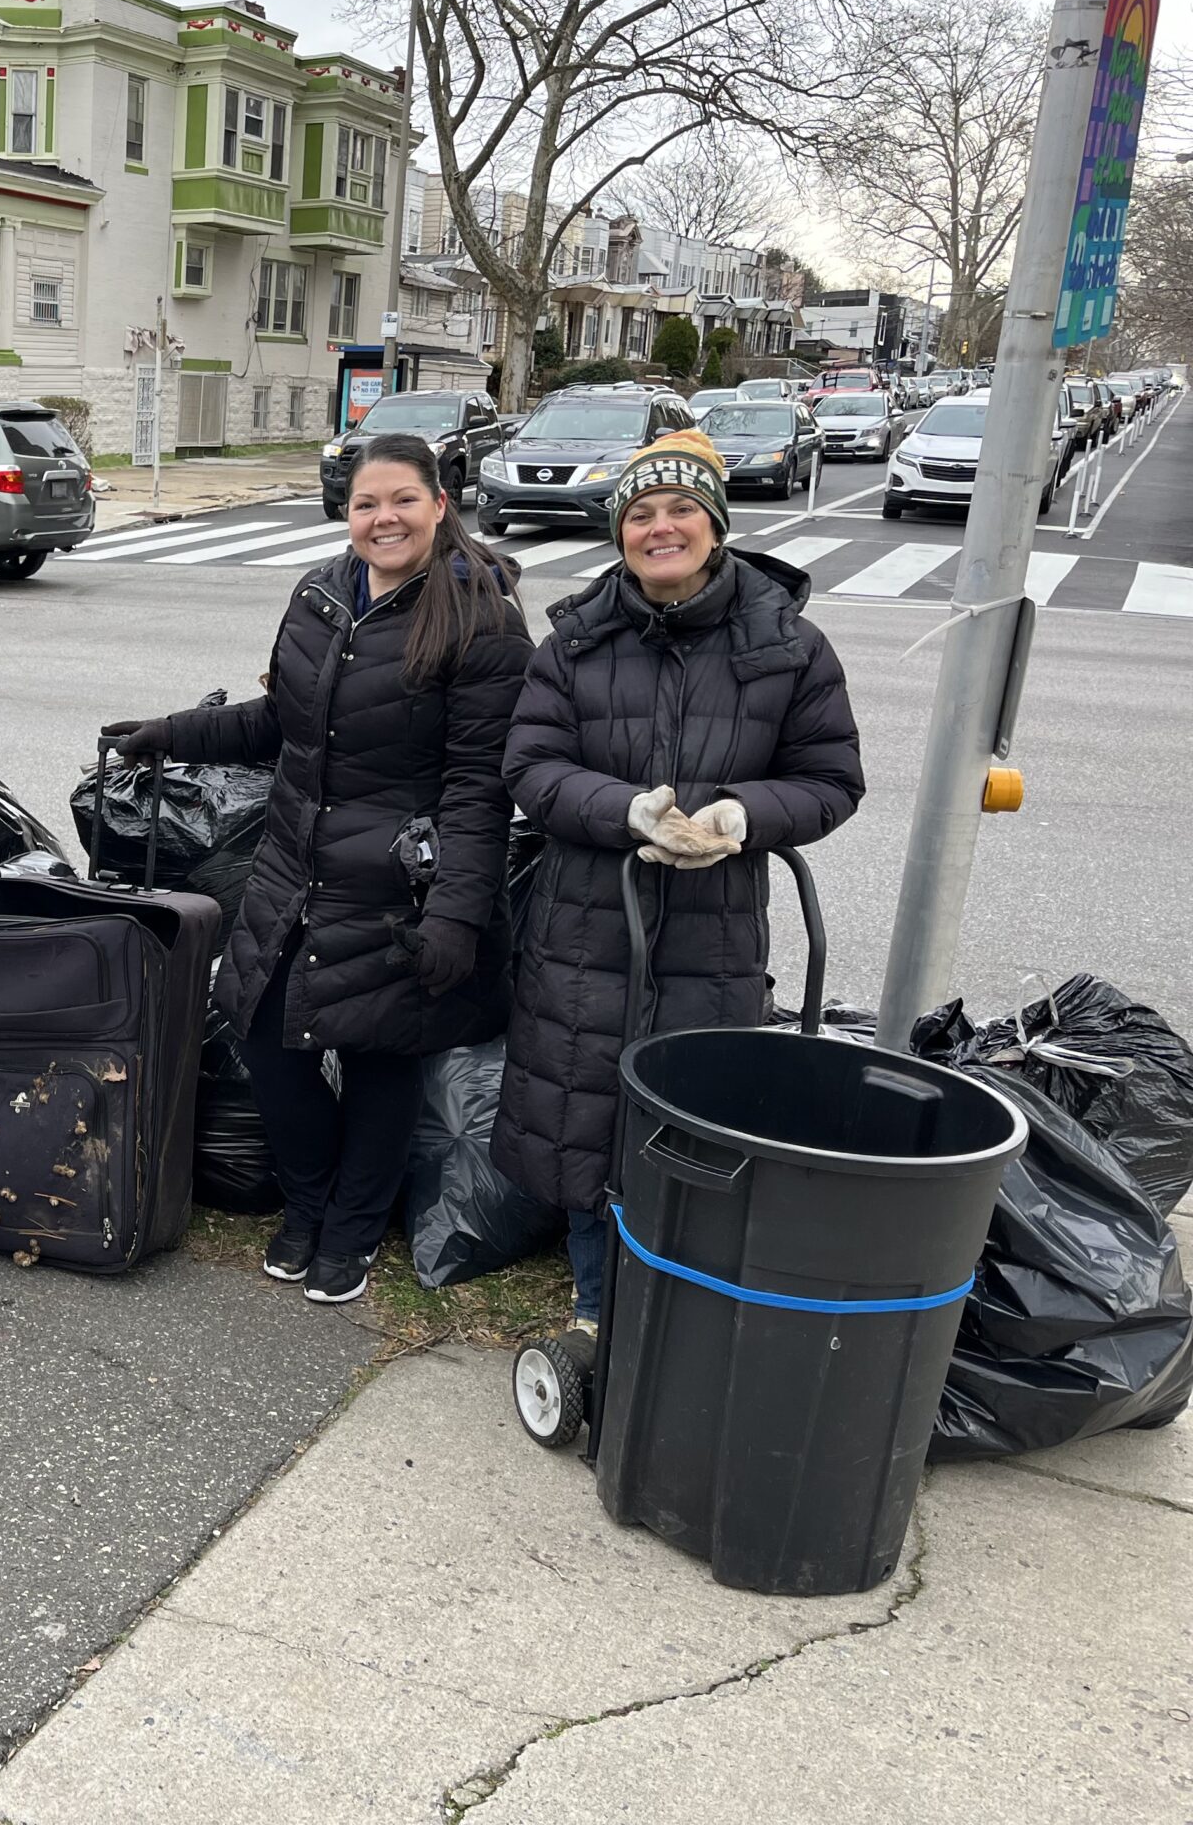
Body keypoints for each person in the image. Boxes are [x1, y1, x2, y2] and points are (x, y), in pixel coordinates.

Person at [100, 431, 532, 1304]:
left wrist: (454, 913)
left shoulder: (480, 619)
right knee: (267, 1038)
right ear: (347, 513)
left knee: (380, 1060)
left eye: (403, 500)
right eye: (367, 503)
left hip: (397, 891)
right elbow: (280, 721)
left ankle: (352, 1231)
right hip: (294, 869)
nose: (384, 518)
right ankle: (306, 1206)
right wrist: (171, 731)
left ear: (440, 506)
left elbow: (479, 791)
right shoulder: (322, 595)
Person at [496, 429, 864, 1340]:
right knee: (586, 1119)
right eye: (641, 514)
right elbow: (530, 766)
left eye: (681, 511)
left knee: (700, 1118)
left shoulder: (789, 646)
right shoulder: (576, 642)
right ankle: (595, 1307)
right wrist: (625, 812)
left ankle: (682, 1311)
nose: (661, 528)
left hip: (717, 931)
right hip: (588, 927)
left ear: (717, 524)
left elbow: (831, 780)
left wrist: (743, 818)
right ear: (620, 530)